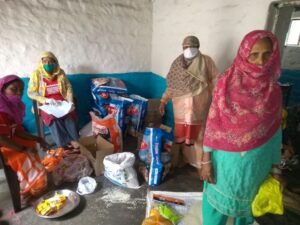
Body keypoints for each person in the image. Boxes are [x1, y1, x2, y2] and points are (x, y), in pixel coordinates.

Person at [201, 30, 283, 225]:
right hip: (226, 163)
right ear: (243, 54)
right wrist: (206, 160)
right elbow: (213, 123)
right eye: (253, 54)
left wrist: (276, 168)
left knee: (246, 210)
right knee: (215, 209)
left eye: (267, 54)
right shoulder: (225, 83)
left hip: (257, 163)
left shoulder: (274, 91)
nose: (260, 61)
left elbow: (275, 131)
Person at [159, 36, 219, 168]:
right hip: (180, 108)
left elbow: (216, 81)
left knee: (199, 136)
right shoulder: (177, 64)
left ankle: (200, 165)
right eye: (186, 47)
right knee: (180, 136)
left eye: (192, 46)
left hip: (199, 108)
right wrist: (163, 101)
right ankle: (182, 160)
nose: (189, 49)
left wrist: (218, 100)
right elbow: (172, 86)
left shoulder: (206, 61)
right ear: (182, 48)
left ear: (198, 47)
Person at [0, 75, 48, 204]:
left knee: (31, 144)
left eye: (21, 90)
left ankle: (34, 181)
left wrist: (38, 138)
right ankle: (25, 191)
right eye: (13, 89)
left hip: (7, 138)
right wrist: (22, 149)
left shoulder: (13, 107)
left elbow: (17, 130)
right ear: (2, 89)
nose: (19, 93)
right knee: (24, 156)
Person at [28, 51, 79, 149]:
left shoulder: (60, 72)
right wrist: (45, 100)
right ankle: (65, 144)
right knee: (52, 117)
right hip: (46, 103)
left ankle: (75, 139)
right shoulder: (36, 74)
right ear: (41, 62)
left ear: (55, 62)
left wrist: (70, 101)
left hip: (62, 102)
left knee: (69, 114)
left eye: (51, 61)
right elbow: (31, 92)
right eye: (45, 61)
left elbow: (68, 87)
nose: (48, 64)